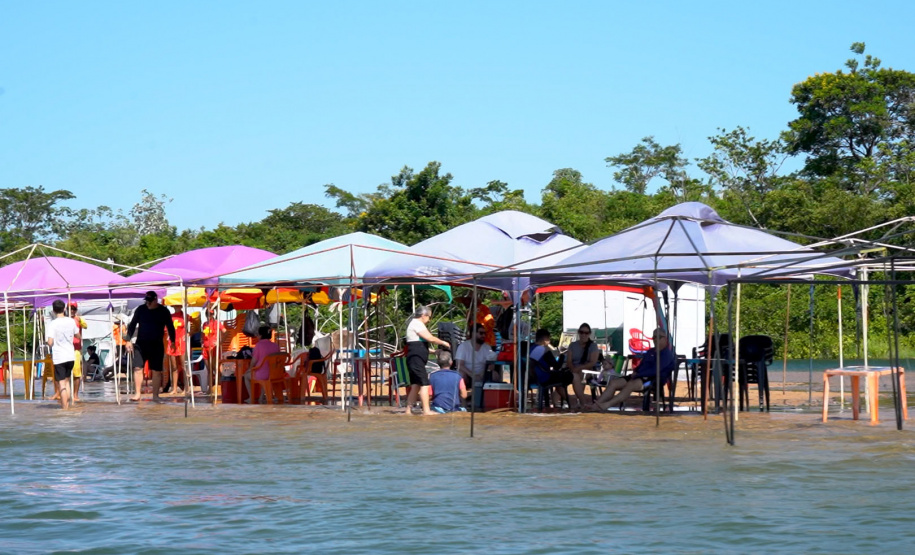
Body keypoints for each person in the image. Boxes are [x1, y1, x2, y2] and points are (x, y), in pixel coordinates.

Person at [588, 328, 677, 411]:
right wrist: (636, 371)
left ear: (665, 339)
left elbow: (655, 370)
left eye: (658, 337)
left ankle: (607, 405)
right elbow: (641, 365)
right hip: (639, 376)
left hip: (652, 380)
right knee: (613, 383)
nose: (655, 339)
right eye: (654, 337)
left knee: (630, 384)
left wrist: (638, 374)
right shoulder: (650, 351)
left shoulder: (666, 354)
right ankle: (597, 404)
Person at [125, 291, 176, 402]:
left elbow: (170, 327)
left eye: (149, 301)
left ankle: (155, 396)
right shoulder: (141, 309)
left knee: (156, 371)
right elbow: (132, 324)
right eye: (146, 301)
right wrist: (128, 340)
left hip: (157, 344)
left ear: (155, 300)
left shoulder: (163, 311)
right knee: (138, 368)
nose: (147, 303)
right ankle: (137, 394)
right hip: (141, 344)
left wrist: (173, 341)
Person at [403, 305, 451, 416]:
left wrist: (434, 352)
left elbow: (418, 345)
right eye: (429, 317)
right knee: (425, 384)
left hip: (415, 358)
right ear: (423, 315)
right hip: (416, 359)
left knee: (416, 384)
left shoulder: (415, 324)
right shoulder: (417, 324)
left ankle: (408, 410)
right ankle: (426, 410)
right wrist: (444, 343)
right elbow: (430, 338)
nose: (429, 320)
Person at [45, 299, 79, 410]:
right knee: (67, 382)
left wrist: (48, 342)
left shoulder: (53, 324)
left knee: (62, 384)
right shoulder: (71, 321)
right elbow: (77, 335)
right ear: (64, 309)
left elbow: (50, 342)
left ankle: (64, 409)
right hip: (70, 355)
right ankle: (68, 406)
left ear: (53, 311)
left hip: (60, 357)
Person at [529, 328, 572, 408]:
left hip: (533, 377)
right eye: (549, 338)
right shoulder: (545, 350)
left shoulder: (531, 348)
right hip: (544, 378)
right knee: (567, 376)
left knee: (558, 377)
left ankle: (558, 401)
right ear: (545, 339)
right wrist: (562, 355)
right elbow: (557, 366)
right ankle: (570, 402)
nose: (549, 340)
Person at [567, 322, 600, 411]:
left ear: (589, 334)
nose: (584, 335)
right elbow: (569, 361)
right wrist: (573, 368)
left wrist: (579, 368)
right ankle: (565, 403)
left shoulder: (593, 346)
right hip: (573, 369)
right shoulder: (572, 345)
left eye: (586, 333)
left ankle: (582, 402)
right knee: (569, 377)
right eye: (581, 332)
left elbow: (593, 362)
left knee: (579, 375)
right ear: (578, 332)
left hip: (587, 370)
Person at [455, 323, 498, 387]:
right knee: (461, 374)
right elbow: (459, 365)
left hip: (482, 374)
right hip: (468, 374)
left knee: (495, 375)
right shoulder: (463, 346)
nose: (483, 335)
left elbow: (491, 365)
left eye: (484, 333)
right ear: (473, 334)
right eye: (481, 333)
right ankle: (463, 395)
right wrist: (473, 375)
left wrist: (482, 374)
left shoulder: (487, 347)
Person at [245, 325, 280, 404]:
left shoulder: (259, 345)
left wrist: (250, 369)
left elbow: (253, 362)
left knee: (246, 376)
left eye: (258, 334)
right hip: (275, 374)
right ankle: (261, 396)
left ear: (260, 335)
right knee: (265, 376)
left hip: (262, 374)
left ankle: (251, 397)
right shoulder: (275, 345)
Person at [165, 305, 187, 395]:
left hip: (181, 342)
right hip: (172, 342)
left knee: (183, 365)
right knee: (174, 367)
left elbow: (196, 324)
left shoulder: (185, 316)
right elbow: (166, 329)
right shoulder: (170, 316)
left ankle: (186, 388)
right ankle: (174, 388)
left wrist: (189, 333)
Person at [69, 303, 88, 402]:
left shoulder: (78, 319)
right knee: (64, 373)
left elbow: (85, 326)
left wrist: (79, 320)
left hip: (76, 349)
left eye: (74, 309)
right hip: (66, 349)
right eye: (70, 308)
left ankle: (75, 394)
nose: (72, 311)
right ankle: (62, 393)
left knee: (77, 372)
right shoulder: (63, 320)